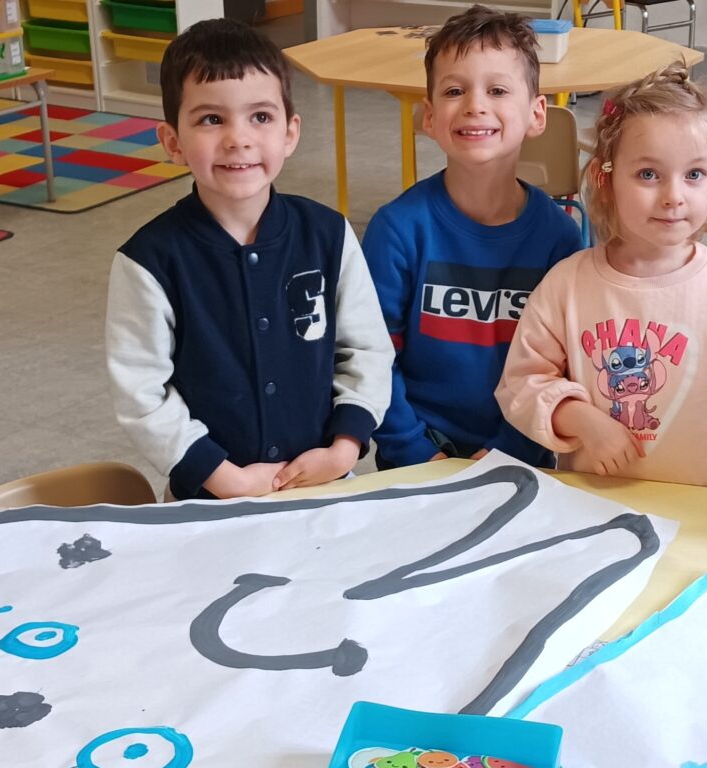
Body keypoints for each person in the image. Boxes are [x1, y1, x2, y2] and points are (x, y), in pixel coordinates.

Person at [106, 19, 393, 499]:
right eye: (211, 119)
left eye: (260, 116)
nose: (238, 138)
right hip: (208, 499)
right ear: (173, 142)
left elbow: (366, 350)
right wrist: (226, 478)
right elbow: (142, 393)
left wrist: (345, 448)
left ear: (290, 132)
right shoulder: (148, 260)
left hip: (324, 483)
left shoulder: (328, 234)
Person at [496, 63, 707, 489]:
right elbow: (520, 385)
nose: (673, 196)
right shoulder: (566, 285)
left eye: (694, 175)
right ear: (605, 179)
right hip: (595, 508)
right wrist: (579, 418)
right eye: (649, 174)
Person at [366, 5, 584, 468]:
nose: (475, 105)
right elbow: (373, 357)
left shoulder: (559, 239)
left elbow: (560, 366)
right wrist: (414, 451)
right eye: (454, 90)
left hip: (522, 457)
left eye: (498, 90)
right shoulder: (396, 230)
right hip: (416, 457)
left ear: (537, 114)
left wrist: (509, 452)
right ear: (429, 116)